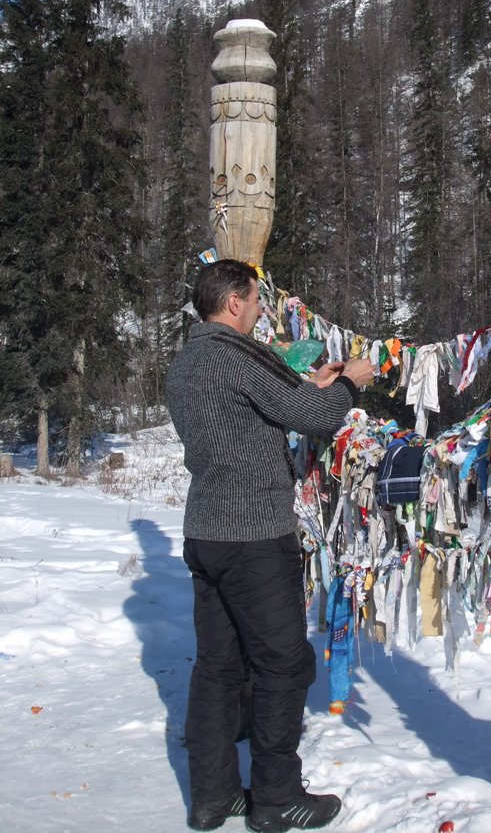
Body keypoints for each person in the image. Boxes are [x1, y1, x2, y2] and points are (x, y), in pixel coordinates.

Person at [166, 259, 374, 832]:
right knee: (284, 665)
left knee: (218, 667)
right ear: (233, 301)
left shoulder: (187, 361)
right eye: (256, 300)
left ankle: (213, 797)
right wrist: (350, 382)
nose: (261, 310)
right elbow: (314, 417)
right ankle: (277, 797)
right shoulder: (234, 357)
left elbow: (254, 410)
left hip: (206, 531)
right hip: (252, 536)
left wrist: (312, 385)